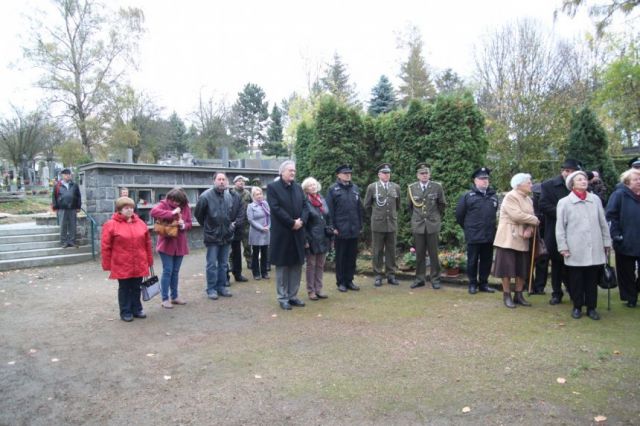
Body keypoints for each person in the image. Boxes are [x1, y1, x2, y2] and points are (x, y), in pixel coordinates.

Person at [556, 171, 611, 320]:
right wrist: (563, 246)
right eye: (579, 180)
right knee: (576, 280)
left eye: (585, 179)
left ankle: (592, 308)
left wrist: (607, 242)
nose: (583, 181)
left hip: (595, 246)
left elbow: (603, 222)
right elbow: (560, 227)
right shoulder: (564, 202)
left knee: (592, 280)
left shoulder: (595, 200)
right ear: (572, 184)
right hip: (575, 248)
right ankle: (577, 306)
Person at [101, 196, 154, 322]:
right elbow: (105, 246)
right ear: (119, 210)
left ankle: (137, 308)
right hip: (121, 263)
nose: (129, 210)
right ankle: (125, 311)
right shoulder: (111, 225)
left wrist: (149, 260)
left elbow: (147, 243)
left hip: (139, 261)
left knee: (136, 287)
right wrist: (107, 264)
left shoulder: (141, 223)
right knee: (124, 288)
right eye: (126, 208)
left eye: (131, 207)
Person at [194, 172, 244, 300]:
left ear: (227, 181)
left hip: (226, 235)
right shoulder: (205, 196)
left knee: (223, 264)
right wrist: (208, 227)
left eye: (224, 179)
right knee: (212, 264)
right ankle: (211, 289)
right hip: (212, 236)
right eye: (219, 179)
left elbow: (230, 214)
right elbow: (199, 215)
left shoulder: (228, 196)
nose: (222, 181)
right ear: (214, 181)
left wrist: (231, 227)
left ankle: (221, 287)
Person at [493, 173, 539, 308]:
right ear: (519, 185)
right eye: (529, 183)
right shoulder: (510, 196)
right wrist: (534, 221)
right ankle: (506, 295)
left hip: (523, 238)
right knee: (506, 269)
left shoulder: (528, 199)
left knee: (522, 268)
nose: (531, 185)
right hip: (508, 237)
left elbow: (531, 216)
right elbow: (516, 215)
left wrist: (530, 228)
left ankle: (518, 295)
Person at [267, 160, 309, 310]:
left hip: (298, 233)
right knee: (283, 266)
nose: (293, 173)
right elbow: (276, 209)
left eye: (294, 171)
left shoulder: (298, 188)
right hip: (283, 233)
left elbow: (305, 206)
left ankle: (293, 295)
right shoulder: (273, 188)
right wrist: (292, 223)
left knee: (296, 265)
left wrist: (302, 221)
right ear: (282, 172)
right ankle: (283, 297)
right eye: (290, 170)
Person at [539, 158, 580, 305]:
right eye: (567, 171)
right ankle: (557, 293)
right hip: (555, 229)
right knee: (557, 264)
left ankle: (574, 290)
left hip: (576, 231)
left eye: (573, 172)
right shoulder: (548, 185)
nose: (569, 174)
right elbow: (543, 205)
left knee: (574, 263)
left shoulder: (579, 185)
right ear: (563, 171)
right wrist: (564, 214)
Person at [455, 167, 498, 294]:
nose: (485, 181)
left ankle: (483, 283)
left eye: (486, 179)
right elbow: (459, 216)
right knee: (472, 260)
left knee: (487, 260)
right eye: (482, 179)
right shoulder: (467, 196)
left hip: (488, 235)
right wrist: (469, 228)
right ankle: (472, 283)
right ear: (475, 181)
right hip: (473, 235)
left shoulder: (493, 196)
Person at [150, 188, 192, 309]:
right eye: (173, 201)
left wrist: (183, 225)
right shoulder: (164, 204)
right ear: (170, 198)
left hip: (180, 244)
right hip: (166, 244)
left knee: (175, 271)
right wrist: (172, 213)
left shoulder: (186, 207)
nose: (176, 203)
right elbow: (153, 212)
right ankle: (165, 299)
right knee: (167, 271)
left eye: (178, 201)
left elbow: (189, 223)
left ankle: (174, 297)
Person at [408, 163, 446, 290]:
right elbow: (410, 207)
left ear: (430, 174)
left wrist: (435, 218)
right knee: (419, 254)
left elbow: (442, 205)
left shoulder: (437, 187)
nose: (424, 175)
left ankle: (435, 279)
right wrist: (416, 220)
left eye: (426, 173)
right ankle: (419, 278)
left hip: (432, 224)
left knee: (434, 253)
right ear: (418, 175)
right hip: (418, 224)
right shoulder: (412, 188)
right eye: (422, 173)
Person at [326, 164, 364, 293]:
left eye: (349, 173)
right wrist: (332, 227)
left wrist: (360, 225)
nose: (348, 175)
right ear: (338, 175)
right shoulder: (333, 189)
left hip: (353, 228)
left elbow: (359, 208)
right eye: (345, 173)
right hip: (340, 229)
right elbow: (329, 211)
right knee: (341, 257)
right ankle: (341, 282)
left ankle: (349, 280)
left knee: (351, 257)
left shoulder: (355, 188)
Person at [606, 168, 640, 308]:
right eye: (636, 179)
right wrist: (616, 234)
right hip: (625, 239)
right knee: (626, 272)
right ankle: (630, 297)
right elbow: (611, 215)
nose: (639, 182)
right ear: (627, 182)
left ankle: (636, 289)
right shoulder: (619, 195)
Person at [363, 163, 401, 287]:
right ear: (379, 174)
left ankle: (391, 275)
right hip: (378, 224)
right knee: (377, 250)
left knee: (391, 250)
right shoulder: (372, 187)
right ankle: (378, 275)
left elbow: (398, 205)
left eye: (388, 173)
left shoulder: (395, 187)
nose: (387, 175)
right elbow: (367, 206)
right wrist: (375, 217)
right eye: (384, 173)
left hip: (391, 223)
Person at [302, 177, 332, 300]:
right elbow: (303, 223)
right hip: (311, 238)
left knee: (320, 264)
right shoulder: (305, 202)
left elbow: (327, 217)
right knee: (311, 265)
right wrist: (305, 240)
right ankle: (311, 291)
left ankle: (319, 289)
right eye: (310, 185)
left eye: (314, 184)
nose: (313, 187)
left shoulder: (322, 200)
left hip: (323, 237)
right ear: (306, 189)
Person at [52, 168, 82, 248]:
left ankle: (72, 241)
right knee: (63, 225)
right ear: (62, 175)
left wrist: (78, 206)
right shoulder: (57, 185)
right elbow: (54, 197)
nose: (68, 176)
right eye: (66, 174)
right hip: (62, 208)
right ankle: (63, 242)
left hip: (72, 208)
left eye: (69, 174)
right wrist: (55, 207)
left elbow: (78, 196)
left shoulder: (74, 185)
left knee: (73, 225)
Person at [528, 181, 549, 295]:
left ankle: (540, 286)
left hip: (544, 234)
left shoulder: (546, 201)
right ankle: (529, 284)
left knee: (543, 259)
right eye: (537, 194)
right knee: (528, 260)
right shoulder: (529, 202)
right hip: (530, 234)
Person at [229, 175, 251, 282]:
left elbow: (252, 205)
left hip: (246, 223)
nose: (241, 183)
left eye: (242, 181)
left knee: (247, 244)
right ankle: (231, 266)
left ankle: (249, 262)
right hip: (235, 224)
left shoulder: (247, 193)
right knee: (232, 249)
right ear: (234, 182)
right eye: (239, 181)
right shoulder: (230, 193)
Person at [246, 186, 270, 280]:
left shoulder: (265, 204)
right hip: (256, 232)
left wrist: (268, 226)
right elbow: (251, 220)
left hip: (266, 232)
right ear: (253, 196)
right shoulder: (250, 206)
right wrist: (261, 228)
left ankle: (264, 272)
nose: (259, 196)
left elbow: (270, 216)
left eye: (260, 194)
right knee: (255, 253)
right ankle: (256, 273)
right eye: (257, 194)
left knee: (265, 252)